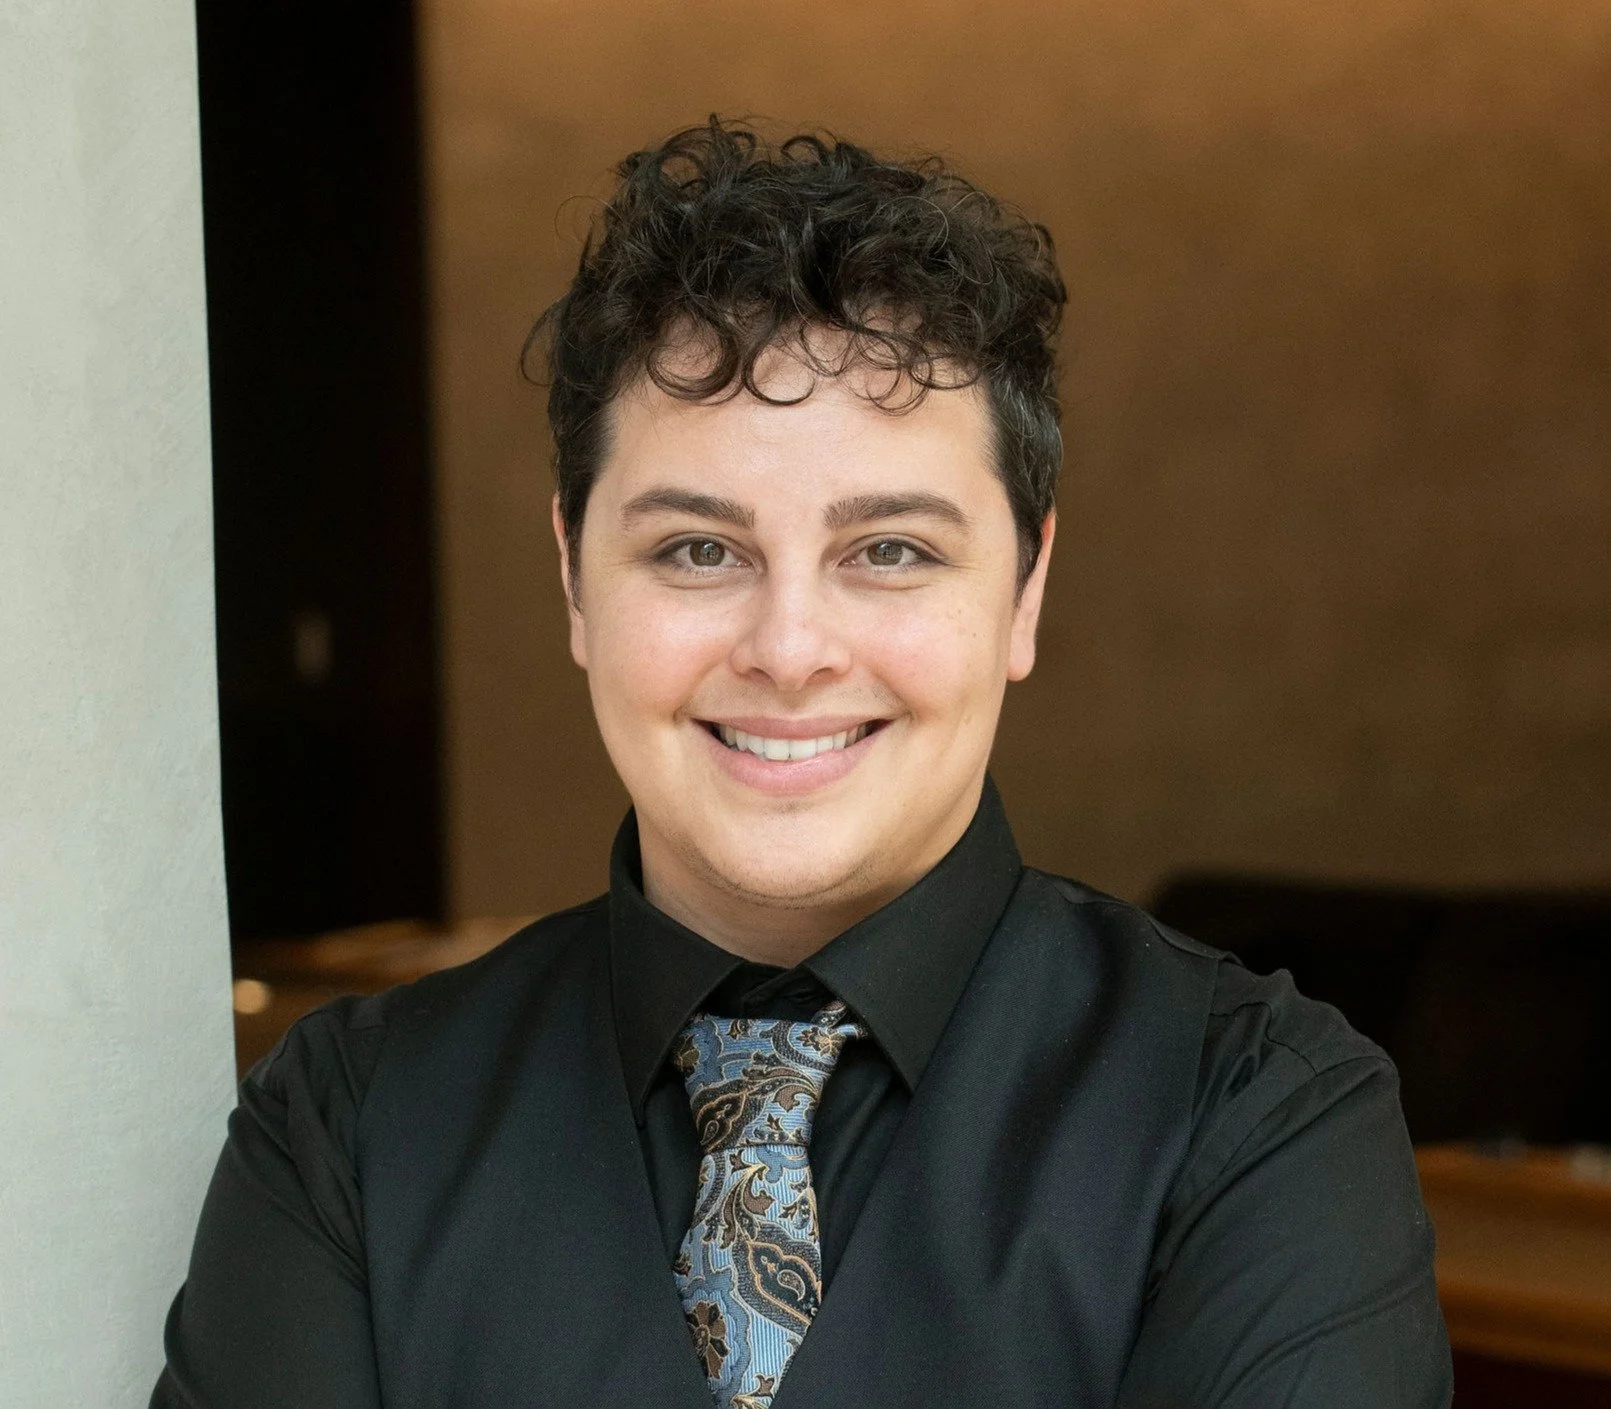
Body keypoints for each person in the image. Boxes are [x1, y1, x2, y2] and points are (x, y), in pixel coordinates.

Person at [152, 120, 1452, 1408]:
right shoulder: (350, 1124)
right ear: (574, 580)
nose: (787, 651)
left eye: (888, 551)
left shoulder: (1259, 1117)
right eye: (697, 551)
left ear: (1024, 589)